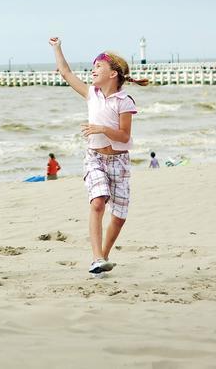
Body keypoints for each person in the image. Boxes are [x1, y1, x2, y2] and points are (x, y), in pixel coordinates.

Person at [49, 37, 148, 277]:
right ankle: (96, 257)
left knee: (119, 218)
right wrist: (57, 48)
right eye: (93, 67)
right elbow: (65, 72)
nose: (93, 71)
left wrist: (102, 129)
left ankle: (102, 257)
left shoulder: (124, 101)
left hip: (119, 162)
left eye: (98, 67)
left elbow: (124, 137)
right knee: (98, 201)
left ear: (113, 74)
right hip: (95, 158)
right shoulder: (91, 94)